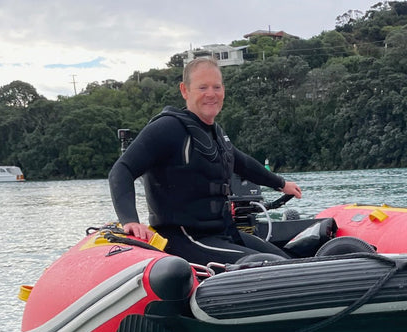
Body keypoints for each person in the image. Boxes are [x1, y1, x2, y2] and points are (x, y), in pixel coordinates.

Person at [109, 57, 302, 268]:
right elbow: (122, 170)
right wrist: (130, 220)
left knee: (291, 262)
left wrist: (281, 184)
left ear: (223, 91)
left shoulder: (215, 134)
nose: (211, 94)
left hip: (223, 233)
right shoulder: (167, 128)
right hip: (185, 239)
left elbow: (243, 163)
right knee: (273, 266)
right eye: (202, 87)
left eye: (216, 87)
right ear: (185, 90)